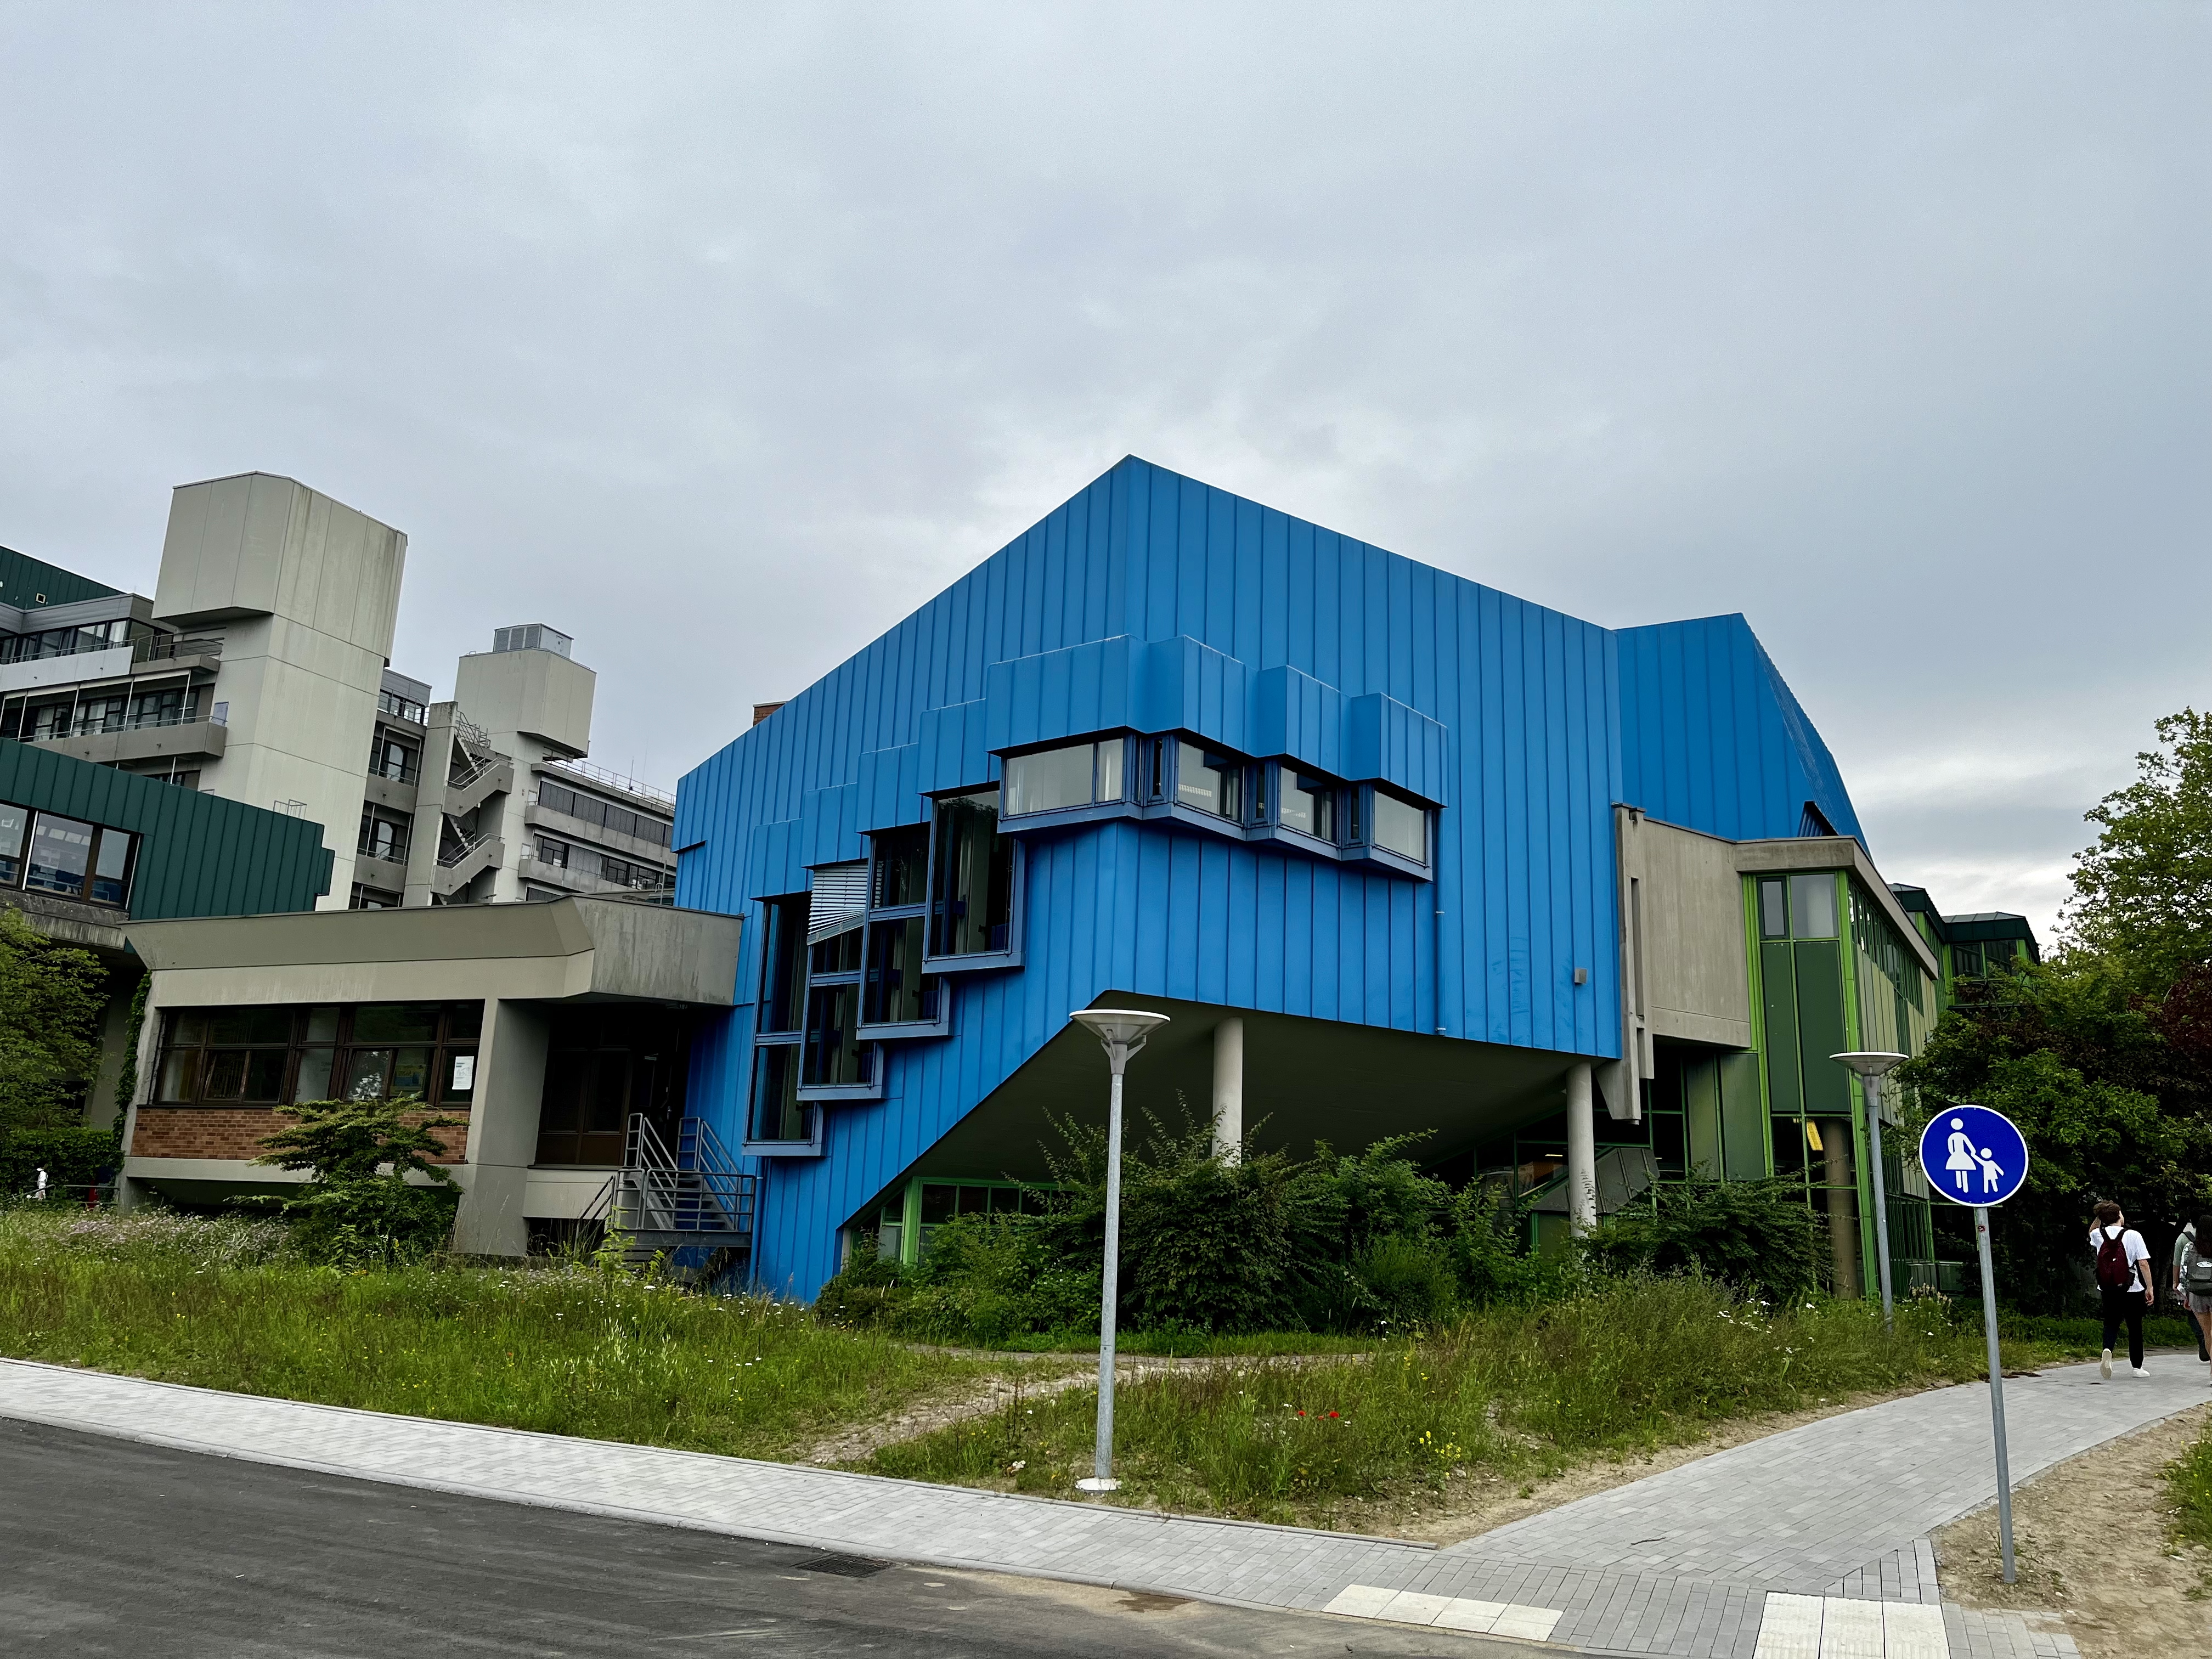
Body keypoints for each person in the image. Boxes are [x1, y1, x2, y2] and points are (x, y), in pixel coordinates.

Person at [2089, 1201, 2154, 1379]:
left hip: (2107, 1288)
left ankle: (2108, 1350)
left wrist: (2100, 1215)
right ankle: (2137, 1367)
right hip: (2132, 1289)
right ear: (2119, 1216)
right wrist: (2150, 1287)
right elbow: (2143, 1263)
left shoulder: (2098, 1234)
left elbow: (2091, 1232)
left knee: (2111, 1323)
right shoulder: (2133, 1235)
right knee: (2135, 1327)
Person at [2179, 1212, 2212, 1373]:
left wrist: (2187, 1295)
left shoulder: (2190, 1247)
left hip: (2197, 1295)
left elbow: (2183, 1274)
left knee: (2207, 1334)